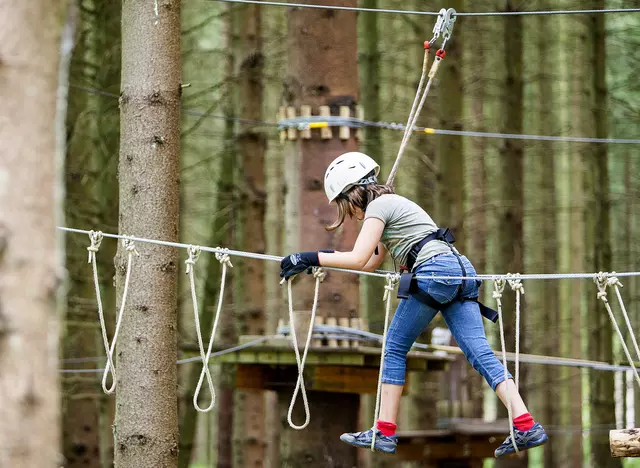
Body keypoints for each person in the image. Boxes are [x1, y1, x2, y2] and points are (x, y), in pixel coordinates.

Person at [279, 152, 548, 457]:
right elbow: (369, 262)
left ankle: (384, 431)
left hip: (434, 271)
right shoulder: (392, 206)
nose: (348, 213)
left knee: (394, 347)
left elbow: (356, 256)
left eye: (343, 204)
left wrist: (306, 257)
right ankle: (526, 424)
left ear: (351, 193)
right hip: (460, 271)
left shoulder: (379, 207)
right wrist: (319, 265)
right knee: (480, 354)